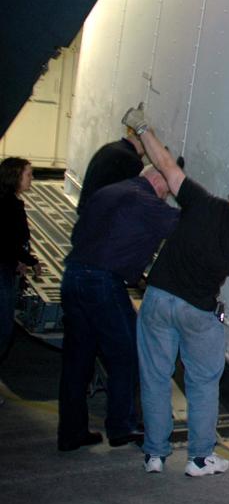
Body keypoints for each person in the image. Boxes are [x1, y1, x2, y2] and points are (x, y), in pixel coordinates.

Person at [122, 104, 229, 477]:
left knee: (155, 377)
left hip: (157, 299)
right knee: (203, 382)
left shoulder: (200, 200)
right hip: (197, 310)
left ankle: (155, 455)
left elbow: (167, 166)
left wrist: (142, 127)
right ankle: (200, 458)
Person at [57, 167, 178, 451]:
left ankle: (71, 433)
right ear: (157, 179)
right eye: (168, 190)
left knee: (77, 361)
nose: (166, 196)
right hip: (102, 281)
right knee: (129, 352)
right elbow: (182, 225)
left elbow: (79, 234)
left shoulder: (108, 192)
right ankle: (122, 425)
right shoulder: (143, 199)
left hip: (73, 277)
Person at [2, 158, 43, 370]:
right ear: (15, 176)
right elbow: (10, 240)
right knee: (3, 328)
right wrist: (30, 261)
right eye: (29, 174)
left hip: (7, 265)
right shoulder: (10, 205)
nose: (32, 179)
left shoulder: (9, 201)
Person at [78, 133, 144, 212]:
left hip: (87, 206)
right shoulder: (132, 159)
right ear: (141, 141)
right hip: (101, 214)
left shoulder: (111, 147)